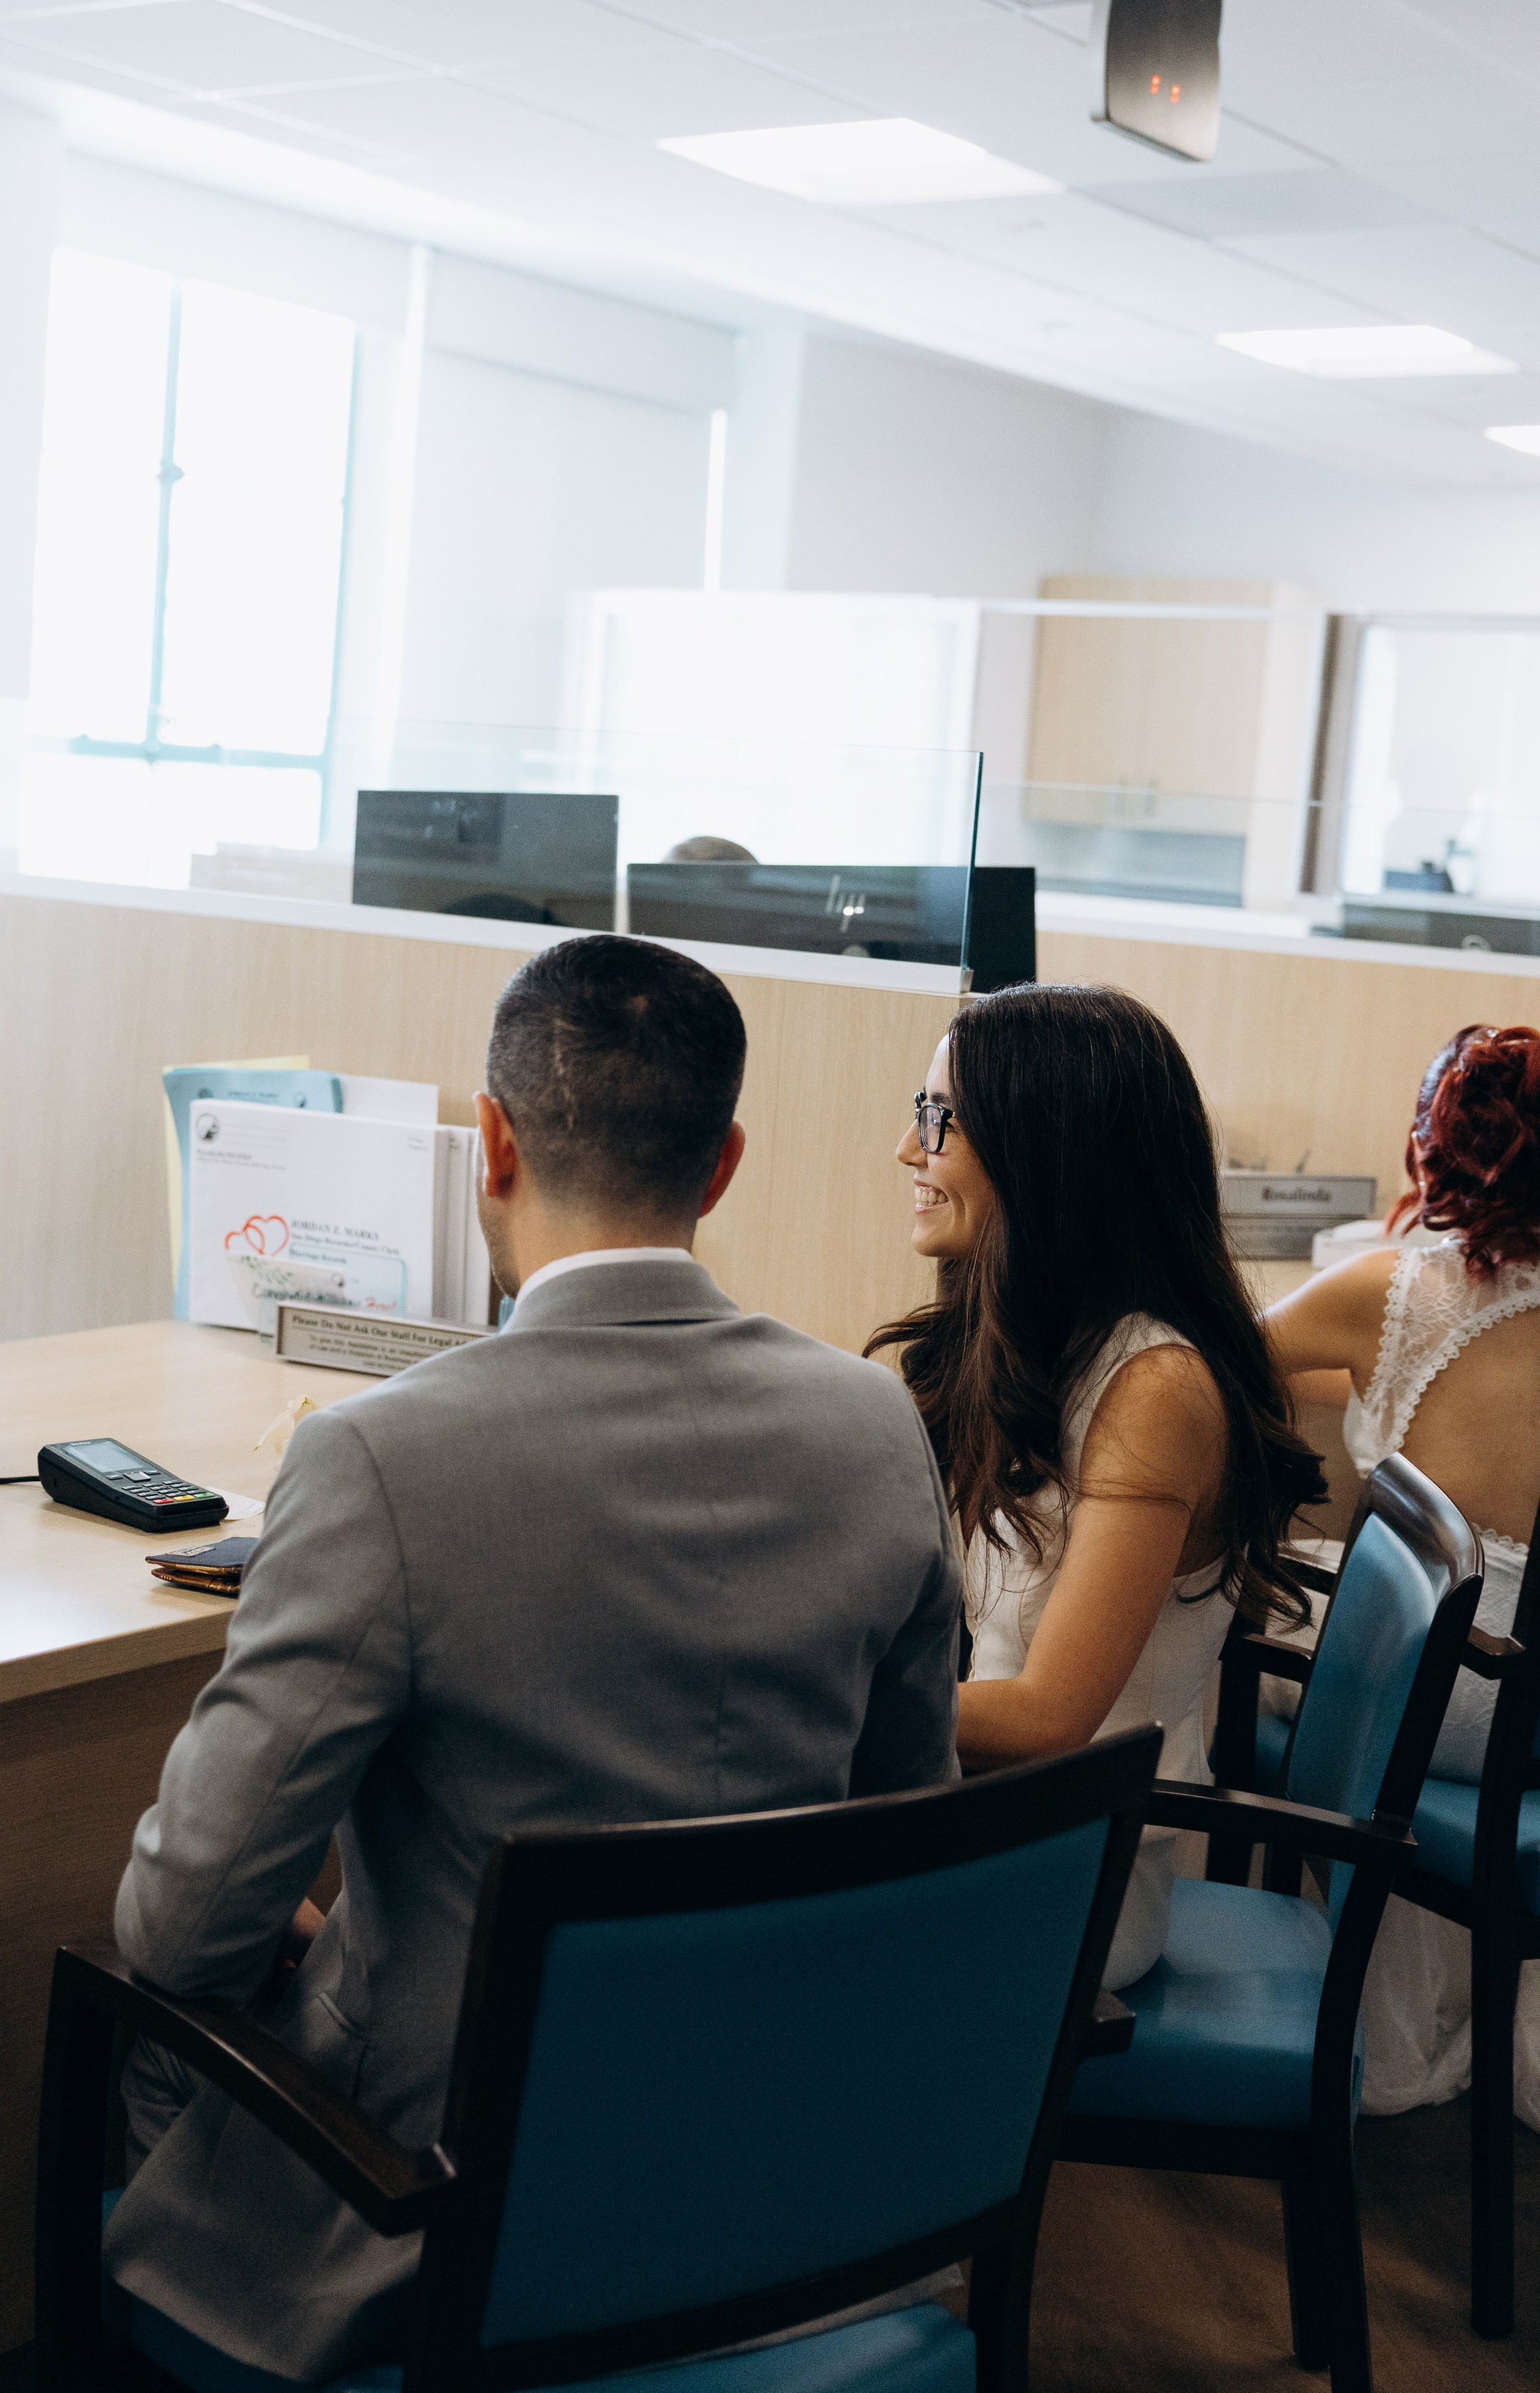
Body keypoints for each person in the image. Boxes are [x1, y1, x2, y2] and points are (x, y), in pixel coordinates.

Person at [105, 934, 963, 2384]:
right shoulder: (875, 1426)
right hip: (782, 2183)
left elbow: (181, 1935)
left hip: (450, 2217)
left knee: (143, 2025)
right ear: (723, 1165)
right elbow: (905, 1830)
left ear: (490, 1145)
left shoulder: (380, 1458)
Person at [870, 982, 1321, 1990]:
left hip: (1077, 1877)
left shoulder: (1152, 1389)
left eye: (941, 1120)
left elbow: (1048, 1721)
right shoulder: (1048, 1348)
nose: (910, 1149)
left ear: (1046, 1152)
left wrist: (826, 1698)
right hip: (1002, 1822)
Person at [1263, 1021, 1540, 2123]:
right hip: (1536, 1702)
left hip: (1454, 1694)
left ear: (1439, 1148)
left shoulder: (1393, 1288)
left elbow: (1213, 1362)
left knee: (1258, 1602)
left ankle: (1273, 1977)